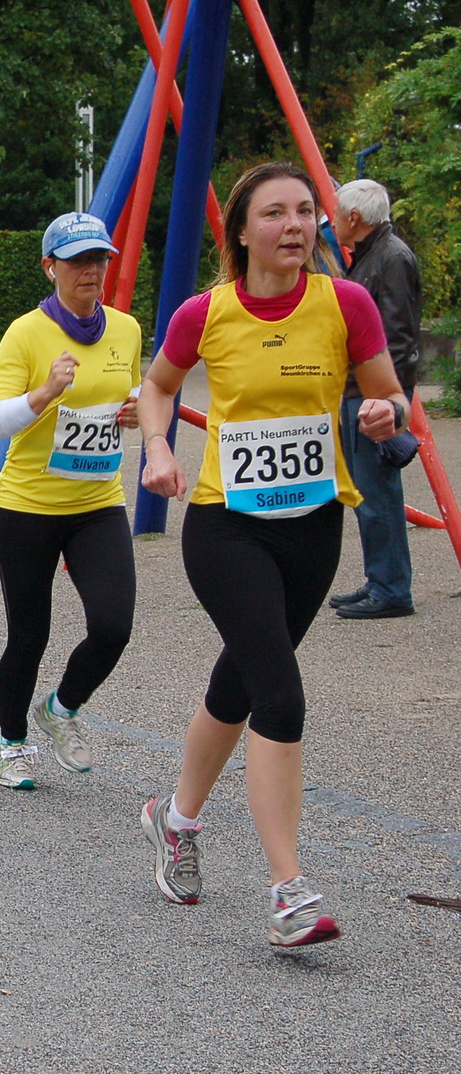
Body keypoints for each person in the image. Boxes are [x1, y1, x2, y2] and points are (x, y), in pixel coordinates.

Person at [137, 161, 407, 947]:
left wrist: (387, 413)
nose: (296, 226)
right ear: (243, 230)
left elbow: (386, 389)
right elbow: (158, 387)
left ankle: (173, 819)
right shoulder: (205, 313)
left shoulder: (345, 303)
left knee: (243, 678)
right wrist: (156, 446)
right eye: (276, 213)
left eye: (305, 213)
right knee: (280, 693)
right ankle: (290, 891)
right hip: (227, 526)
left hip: (314, 526)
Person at [0, 212, 141, 790]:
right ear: (50, 268)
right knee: (29, 633)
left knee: (113, 624)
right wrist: (43, 393)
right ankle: (12, 742)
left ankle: (63, 707)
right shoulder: (26, 333)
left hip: (98, 501)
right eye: (77, 262)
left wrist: (139, 410)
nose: (91, 272)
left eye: (99, 260)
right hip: (29, 506)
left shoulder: (126, 329)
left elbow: (132, 395)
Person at [328, 178, 423, 621]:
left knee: (377, 492)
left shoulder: (390, 259)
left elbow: (397, 338)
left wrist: (389, 401)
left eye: (335, 212)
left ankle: (390, 588)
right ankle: (381, 580)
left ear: (353, 218)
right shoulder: (376, 256)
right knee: (370, 491)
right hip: (364, 394)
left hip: (370, 398)